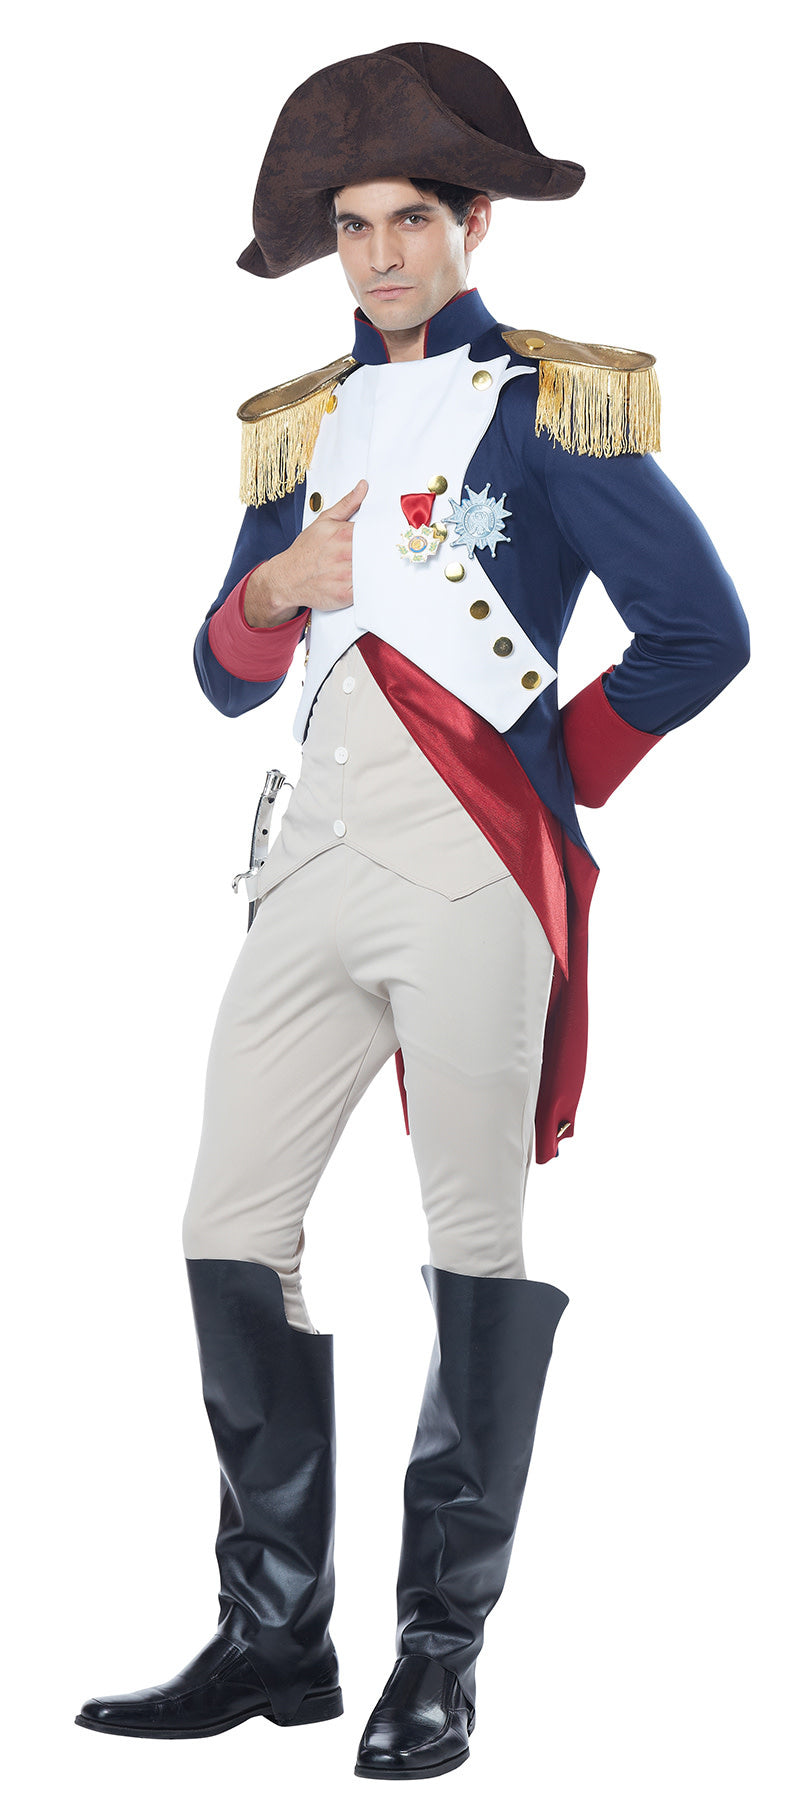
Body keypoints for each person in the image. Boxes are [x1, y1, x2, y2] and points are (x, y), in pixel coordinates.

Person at [75, 42, 750, 1780]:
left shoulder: (552, 406)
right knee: (230, 1220)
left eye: (412, 222)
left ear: (474, 227)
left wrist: (552, 777)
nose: (379, 256)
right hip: (309, 867)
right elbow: (224, 676)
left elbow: (704, 633)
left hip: (473, 875)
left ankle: (437, 1656)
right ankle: (272, 1634)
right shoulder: (294, 427)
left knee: (472, 1244)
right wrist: (276, 592)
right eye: (355, 225)